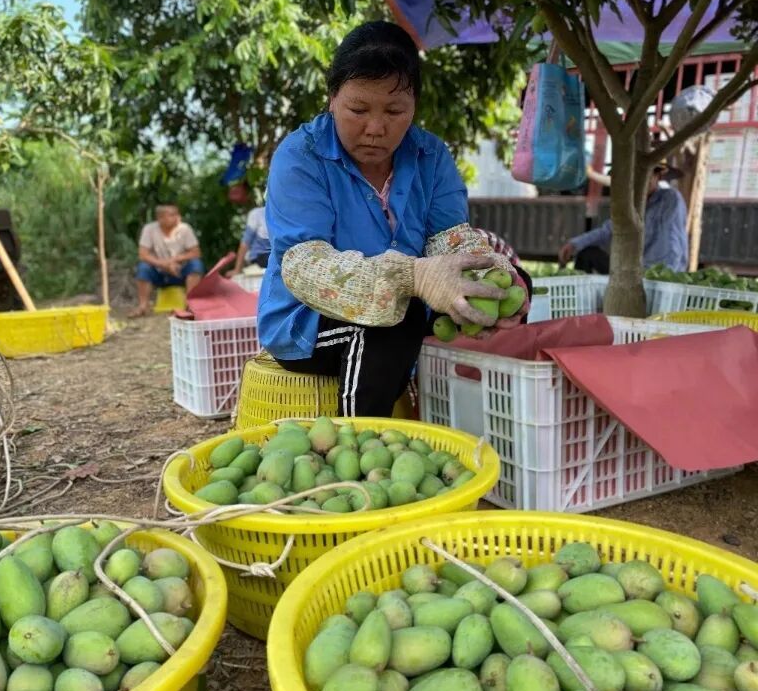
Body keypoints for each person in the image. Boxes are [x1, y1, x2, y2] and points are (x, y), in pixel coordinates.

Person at [258, 21, 526, 418]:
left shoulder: (429, 155)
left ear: (414, 105)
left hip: (404, 314)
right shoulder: (301, 157)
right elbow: (304, 265)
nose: (376, 129)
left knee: (510, 284)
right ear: (332, 99)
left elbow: (450, 238)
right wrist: (411, 277)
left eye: (395, 111)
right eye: (358, 110)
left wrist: (489, 278)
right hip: (307, 323)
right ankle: (358, 441)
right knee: (396, 317)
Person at [558, 161, 688, 273]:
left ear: (657, 177)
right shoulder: (631, 203)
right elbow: (608, 230)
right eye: (636, 175)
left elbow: (672, 240)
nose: (641, 180)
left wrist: (665, 275)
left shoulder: (669, 198)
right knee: (587, 254)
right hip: (632, 271)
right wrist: (574, 244)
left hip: (658, 271)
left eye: (647, 175)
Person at [131, 203, 204, 317]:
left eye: (177, 214)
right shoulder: (149, 229)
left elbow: (196, 252)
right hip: (158, 272)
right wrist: (164, 264)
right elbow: (143, 254)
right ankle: (143, 306)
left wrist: (175, 259)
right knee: (143, 267)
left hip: (180, 271)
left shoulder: (185, 229)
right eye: (172, 215)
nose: (177, 217)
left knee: (196, 265)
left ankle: (189, 305)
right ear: (160, 218)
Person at [226, 205, 270, 277]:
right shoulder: (257, 213)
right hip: (260, 257)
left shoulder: (284, 214)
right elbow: (245, 243)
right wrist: (237, 269)